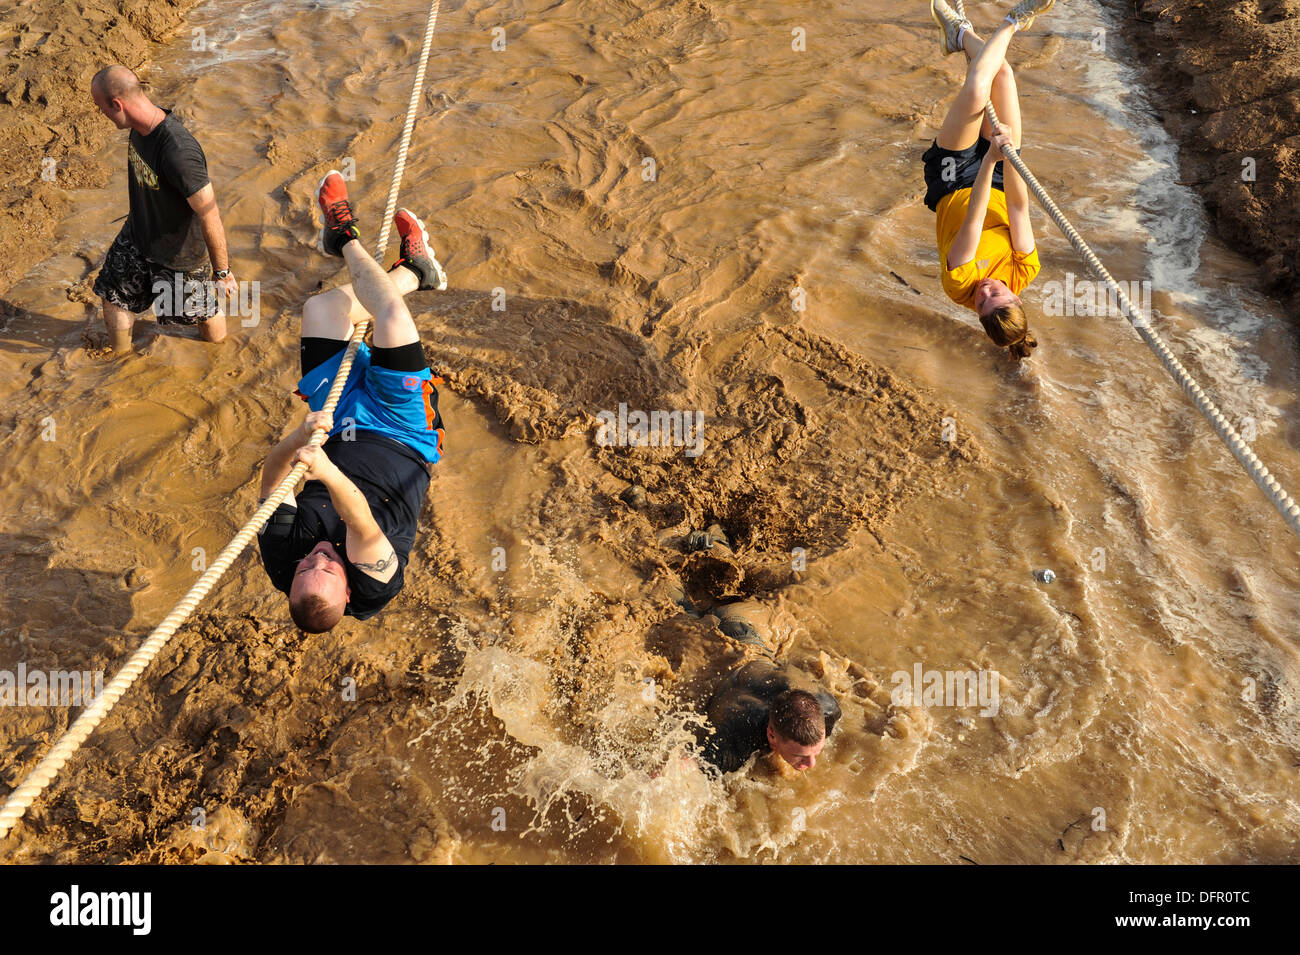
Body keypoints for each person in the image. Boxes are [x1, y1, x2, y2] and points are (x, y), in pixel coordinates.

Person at [256, 170, 449, 632]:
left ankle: (415, 272)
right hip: (401, 435)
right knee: (391, 317)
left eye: (306, 569)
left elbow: (271, 478)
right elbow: (358, 518)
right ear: (347, 592)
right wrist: (323, 470)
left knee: (320, 312)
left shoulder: (284, 560)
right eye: (325, 570)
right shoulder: (376, 582)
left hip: (338, 418)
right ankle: (343, 235)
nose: (316, 559)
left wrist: (298, 437)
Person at [921, 0, 1056, 360]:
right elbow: (1017, 205)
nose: (984, 294)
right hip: (999, 176)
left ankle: (1012, 20)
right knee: (1003, 75)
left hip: (953, 181)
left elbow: (975, 218)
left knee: (979, 89)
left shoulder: (959, 285)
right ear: (1016, 295)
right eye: (996, 296)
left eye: (981, 305)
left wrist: (988, 160)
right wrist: (1008, 154)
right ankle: (959, 35)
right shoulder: (1024, 269)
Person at [89, 65, 235, 352]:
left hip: (179, 254)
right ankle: (120, 363)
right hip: (137, 235)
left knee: (201, 317)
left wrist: (221, 273)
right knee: (113, 294)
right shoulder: (138, 126)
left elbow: (210, 213)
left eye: (101, 108)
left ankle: (221, 355)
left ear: (117, 104)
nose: (101, 114)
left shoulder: (179, 151)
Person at [699, 660, 841, 774]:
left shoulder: (829, 710)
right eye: (799, 755)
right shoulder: (737, 742)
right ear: (771, 736)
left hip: (764, 666)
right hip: (729, 679)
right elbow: (692, 765)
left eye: (817, 751)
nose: (812, 764)